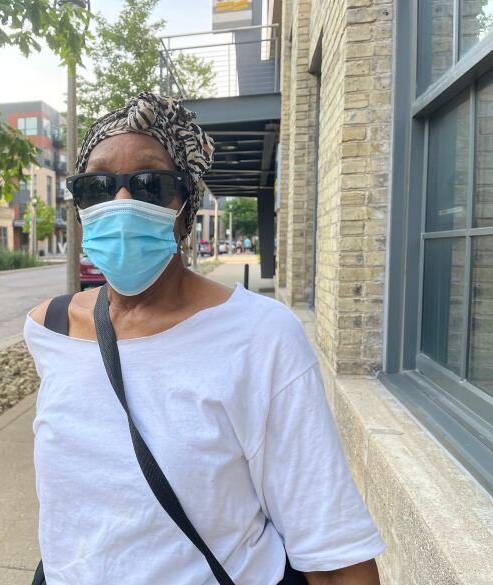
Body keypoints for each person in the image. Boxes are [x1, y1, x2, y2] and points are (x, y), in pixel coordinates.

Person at [24, 93, 384, 585]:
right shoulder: (51, 329)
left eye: (151, 183)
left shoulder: (261, 337)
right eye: (97, 186)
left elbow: (335, 557)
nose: (121, 202)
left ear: (187, 207)